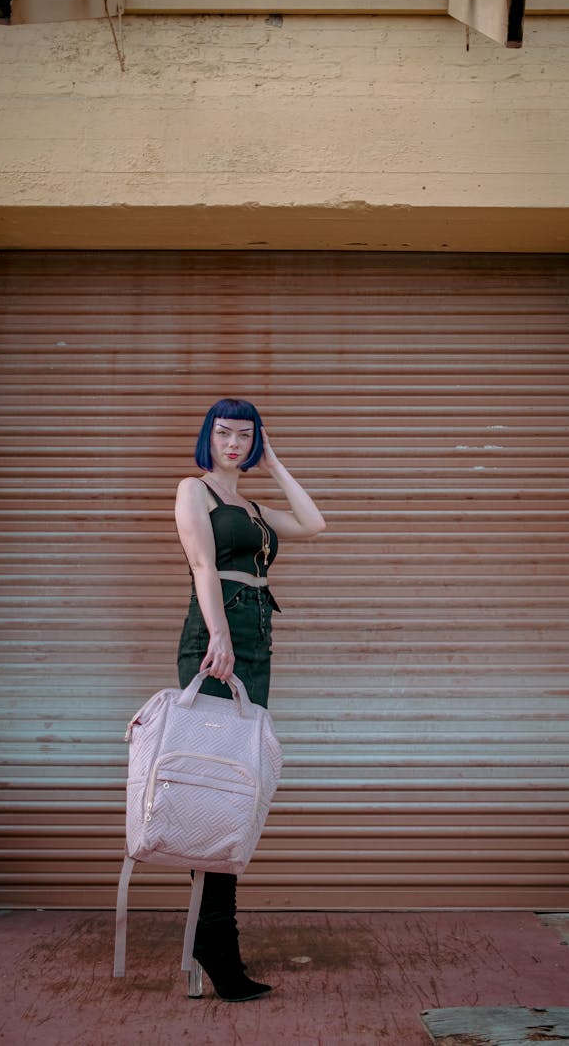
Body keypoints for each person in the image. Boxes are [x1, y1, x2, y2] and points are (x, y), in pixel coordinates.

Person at [174, 398, 326, 1002]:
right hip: (217, 640)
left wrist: (279, 463)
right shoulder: (196, 491)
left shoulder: (255, 508)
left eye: (246, 436)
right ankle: (215, 941)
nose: (234, 443)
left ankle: (209, 940)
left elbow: (315, 524)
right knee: (212, 786)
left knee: (237, 783)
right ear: (207, 438)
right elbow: (203, 565)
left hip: (256, 644)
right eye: (224, 433)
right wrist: (217, 635)